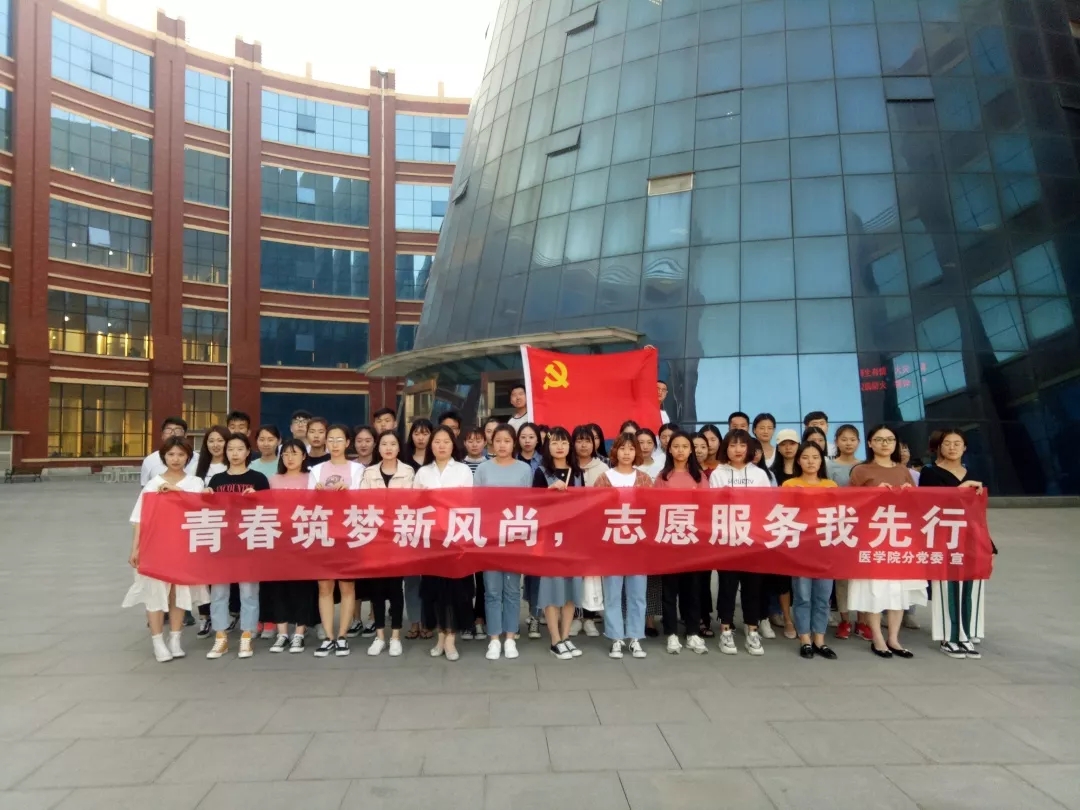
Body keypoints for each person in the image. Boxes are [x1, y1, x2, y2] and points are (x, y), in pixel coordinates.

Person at [124, 437, 209, 662]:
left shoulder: (195, 482)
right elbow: (140, 519)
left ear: (188, 457)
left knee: (178, 592)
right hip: (155, 545)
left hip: (183, 546)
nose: (176, 459)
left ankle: (175, 638)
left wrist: (176, 491)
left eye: (181, 455)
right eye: (171, 454)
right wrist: (135, 549)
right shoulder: (153, 484)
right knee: (155, 592)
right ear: (164, 457)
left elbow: (197, 507)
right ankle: (157, 641)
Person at [847, 424, 926, 658]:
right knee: (875, 588)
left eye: (890, 439)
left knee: (898, 590)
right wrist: (872, 494)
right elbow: (851, 504)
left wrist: (909, 493)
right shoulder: (860, 470)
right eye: (879, 439)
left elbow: (916, 505)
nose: (885, 444)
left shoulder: (903, 470)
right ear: (870, 443)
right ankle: (877, 638)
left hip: (900, 537)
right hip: (873, 536)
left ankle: (894, 638)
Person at [919, 428, 993, 659]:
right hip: (943, 536)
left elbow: (978, 511)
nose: (952, 447)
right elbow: (926, 503)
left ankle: (966, 635)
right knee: (947, 586)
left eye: (957, 443)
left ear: (965, 447)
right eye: (947, 443)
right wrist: (958, 491)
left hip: (971, 536)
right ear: (939, 447)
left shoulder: (972, 471)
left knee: (971, 585)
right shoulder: (930, 472)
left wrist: (988, 542)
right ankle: (948, 637)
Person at [205, 433, 269, 660]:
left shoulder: (258, 479)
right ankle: (220, 636)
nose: (234, 453)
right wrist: (206, 497)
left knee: (249, 592)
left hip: (249, 544)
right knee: (219, 592)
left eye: (239, 449)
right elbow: (208, 511)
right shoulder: (216, 480)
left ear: (248, 452)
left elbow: (270, 510)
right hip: (222, 544)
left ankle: (247, 635)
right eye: (230, 449)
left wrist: (258, 498)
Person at [710, 428, 771, 656]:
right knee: (727, 586)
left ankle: (752, 630)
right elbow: (713, 506)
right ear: (726, 448)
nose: (738, 450)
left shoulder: (759, 474)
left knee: (753, 587)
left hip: (753, 540)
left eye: (742, 445)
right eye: (733, 445)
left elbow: (767, 506)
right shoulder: (718, 474)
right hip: (727, 540)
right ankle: (726, 630)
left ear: (749, 449)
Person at [474, 425, 533, 661]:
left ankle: (510, 637)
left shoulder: (524, 469)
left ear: (513, 443)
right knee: (491, 590)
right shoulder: (483, 468)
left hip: (514, 537)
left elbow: (529, 503)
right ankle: (494, 639)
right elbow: (475, 503)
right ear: (492, 442)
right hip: (490, 537)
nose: (502, 445)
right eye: (498, 440)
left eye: (507, 441)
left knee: (512, 590)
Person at [415, 426, 474, 661]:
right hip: (431, 539)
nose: (441, 446)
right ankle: (440, 635)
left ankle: (451, 639)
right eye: (437, 441)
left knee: (455, 590)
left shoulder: (463, 470)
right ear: (431, 445)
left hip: (456, 538)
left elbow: (468, 503)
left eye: (446, 441)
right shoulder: (423, 472)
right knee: (435, 590)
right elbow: (414, 505)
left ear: (453, 445)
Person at [594, 433, 653, 660]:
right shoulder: (604, 478)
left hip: (638, 545)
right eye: (622, 448)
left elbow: (652, 511)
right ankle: (616, 637)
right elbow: (596, 511)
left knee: (637, 594)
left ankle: (635, 637)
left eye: (631, 448)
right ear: (615, 451)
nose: (626, 453)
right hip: (612, 545)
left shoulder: (644, 479)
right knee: (613, 594)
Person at [359, 430, 415, 657]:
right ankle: (380, 635)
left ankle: (395, 637)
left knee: (395, 589)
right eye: (384, 444)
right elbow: (363, 503)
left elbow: (410, 504)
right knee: (377, 589)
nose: (388, 448)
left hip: (398, 538)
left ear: (399, 448)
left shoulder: (408, 472)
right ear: (378, 448)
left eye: (393, 444)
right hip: (375, 538)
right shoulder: (369, 472)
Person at [653, 430, 709, 655]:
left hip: (693, 542)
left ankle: (693, 632)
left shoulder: (699, 477)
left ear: (691, 450)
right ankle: (671, 634)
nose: (680, 450)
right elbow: (655, 508)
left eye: (685, 446)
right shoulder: (663, 477)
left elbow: (707, 508)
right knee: (669, 591)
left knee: (692, 591)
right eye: (676, 446)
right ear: (669, 450)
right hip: (670, 542)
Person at [782, 442, 840, 660]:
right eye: (805, 457)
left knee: (823, 597)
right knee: (803, 596)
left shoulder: (830, 485)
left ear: (821, 460)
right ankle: (804, 638)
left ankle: (820, 640)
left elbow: (838, 515)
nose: (810, 462)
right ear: (798, 460)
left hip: (825, 549)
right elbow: (782, 514)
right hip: (800, 549)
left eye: (815, 457)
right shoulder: (789, 484)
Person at [532, 426, 586, 660]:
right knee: (551, 588)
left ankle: (566, 637)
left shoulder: (577, 472)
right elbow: (533, 504)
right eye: (555, 442)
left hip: (573, 538)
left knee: (572, 589)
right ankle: (554, 639)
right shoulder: (541, 472)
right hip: (550, 539)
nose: (560, 446)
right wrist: (549, 492)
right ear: (548, 447)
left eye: (564, 442)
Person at [311, 424, 364, 658]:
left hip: (348, 535)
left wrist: (349, 492)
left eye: (339, 439)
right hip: (323, 534)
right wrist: (316, 495)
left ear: (347, 443)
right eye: (330, 439)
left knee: (347, 586)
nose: (334, 444)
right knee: (324, 587)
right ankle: (328, 636)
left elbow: (365, 502)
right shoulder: (316, 470)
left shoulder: (358, 469)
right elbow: (305, 503)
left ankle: (342, 636)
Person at [265, 439, 320, 654]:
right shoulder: (273, 480)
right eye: (286, 454)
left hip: (304, 539)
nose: (290, 458)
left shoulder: (311, 478)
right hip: (279, 539)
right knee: (279, 587)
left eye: (295, 453)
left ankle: (299, 632)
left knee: (302, 587)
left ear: (304, 456)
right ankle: (282, 634)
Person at [192, 425, 229, 637]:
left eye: (220, 440)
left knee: (225, 575)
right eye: (211, 441)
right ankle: (205, 616)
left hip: (229, 529)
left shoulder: (233, 465)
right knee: (204, 575)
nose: (216, 445)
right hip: (205, 527)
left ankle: (228, 614)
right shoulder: (198, 469)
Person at [571, 425, 606, 638]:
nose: (584, 445)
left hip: (594, 527)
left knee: (592, 574)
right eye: (579, 440)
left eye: (588, 441)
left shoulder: (602, 468)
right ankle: (575, 617)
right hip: (572, 529)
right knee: (574, 573)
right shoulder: (567, 466)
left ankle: (590, 617)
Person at [403, 417, 435, 640]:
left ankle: (429, 620)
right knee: (412, 578)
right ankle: (414, 620)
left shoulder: (437, 461)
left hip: (433, 526)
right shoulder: (404, 461)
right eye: (417, 433)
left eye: (425, 433)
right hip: (409, 525)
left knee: (431, 578)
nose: (421, 438)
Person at [829, 424, 862, 640]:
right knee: (842, 577)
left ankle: (864, 621)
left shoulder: (865, 465)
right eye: (844, 439)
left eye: (852, 439)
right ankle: (845, 619)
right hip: (838, 525)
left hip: (863, 526)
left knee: (863, 576)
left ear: (858, 442)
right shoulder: (829, 466)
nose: (848, 443)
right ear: (837, 442)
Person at [140, 417, 199, 485]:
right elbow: (145, 486)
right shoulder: (150, 460)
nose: (173, 433)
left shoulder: (198, 459)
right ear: (162, 435)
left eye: (178, 430)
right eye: (168, 430)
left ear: (185, 435)